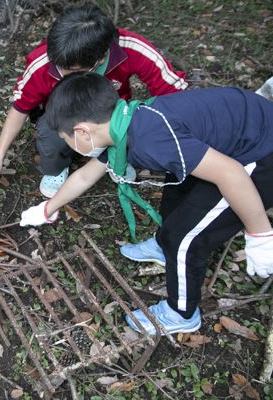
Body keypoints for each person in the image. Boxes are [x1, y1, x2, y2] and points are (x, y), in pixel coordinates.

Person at [20, 72, 273, 335]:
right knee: (176, 187)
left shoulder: (151, 141)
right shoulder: (129, 120)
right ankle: (165, 247)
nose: (69, 145)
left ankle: (182, 312)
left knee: (183, 238)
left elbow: (231, 173)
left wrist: (260, 235)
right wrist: (47, 209)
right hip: (243, 134)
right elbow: (86, 175)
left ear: (83, 131)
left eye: (66, 139)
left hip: (261, 156)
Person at [0, 3, 187, 197]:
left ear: (101, 57)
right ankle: (56, 168)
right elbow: (19, 108)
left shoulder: (130, 48)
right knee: (50, 132)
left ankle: (117, 157)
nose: (60, 72)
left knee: (133, 120)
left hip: (110, 112)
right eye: (57, 65)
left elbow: (175, 93)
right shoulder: (44, 62)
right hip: (61, 114)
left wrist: (150, 128)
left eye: (71, 70)